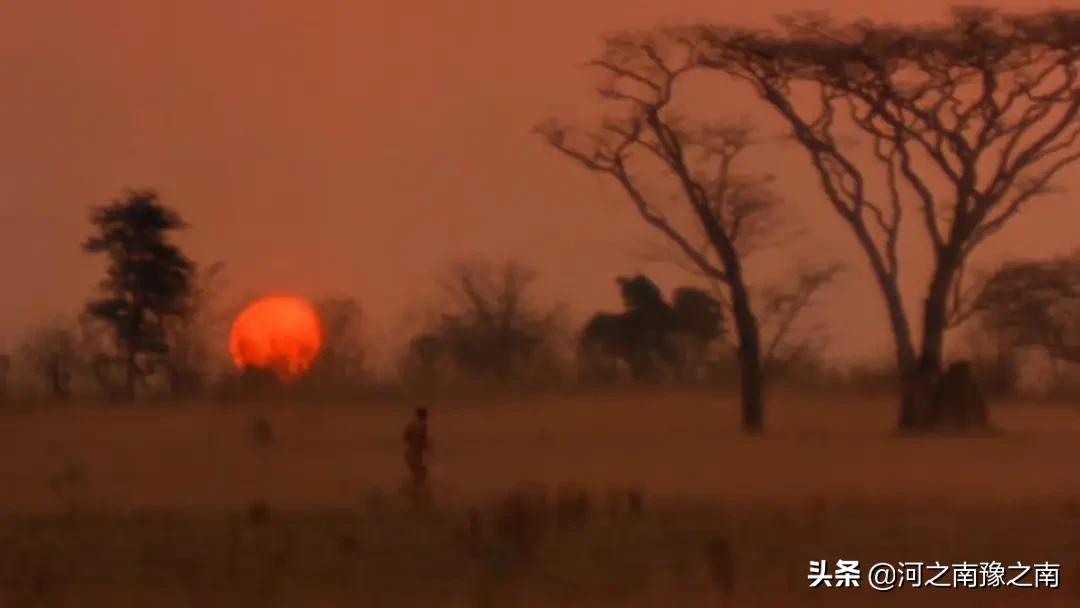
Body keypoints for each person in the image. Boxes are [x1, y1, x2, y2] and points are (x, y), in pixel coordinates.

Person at [403, 407, 431, 487]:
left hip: (409, 453)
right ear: (423, 415)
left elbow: (405, 437)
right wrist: (427, 448)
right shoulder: (422, 424)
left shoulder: (410, 424)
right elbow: (423, 439)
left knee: (418, 473)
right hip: (415, 454)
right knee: (420, 474)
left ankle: (412, 490)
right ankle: (415, 492)